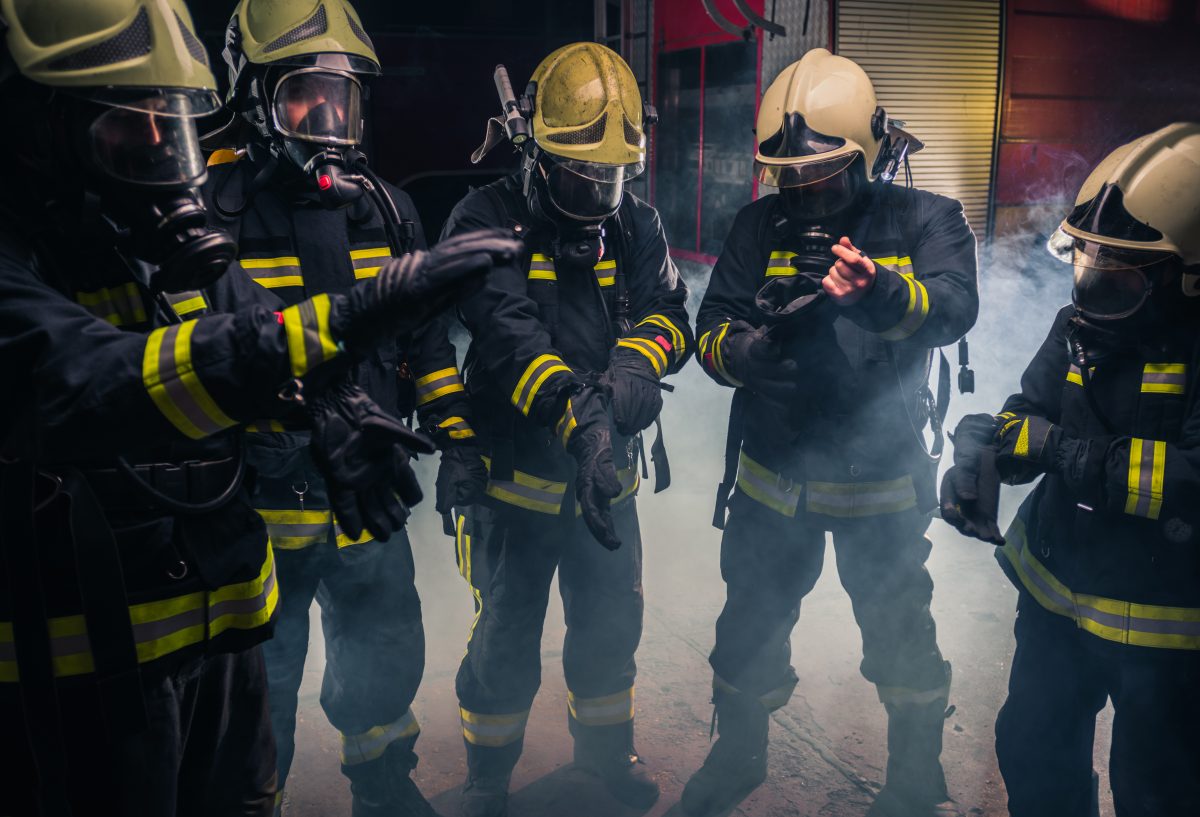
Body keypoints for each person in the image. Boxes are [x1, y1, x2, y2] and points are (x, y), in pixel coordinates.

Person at [0, 1, 516, 813]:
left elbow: (272, 342)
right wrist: (343, 324)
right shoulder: (57, 246)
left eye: (169, 123)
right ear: (32, 128)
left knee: (360, 676)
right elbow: (94, 378)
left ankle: (379, 780)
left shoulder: (149, 233)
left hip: (223, 607)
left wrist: (338, 409)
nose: (163, 157)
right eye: (127, 128)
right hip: (88, 663)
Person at [203, 2, 484, 814]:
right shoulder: (212, 216)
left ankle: (383, 781)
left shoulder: (389, 211)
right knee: (263, 682)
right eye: (304, 96)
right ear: (254, 99)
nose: (327, 119)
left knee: (386, 655)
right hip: (259, 512)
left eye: (343, 98)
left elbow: (425, 346)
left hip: (370, 502)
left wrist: (458, 441)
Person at [688, 48, 978, 817]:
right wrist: (740, 355)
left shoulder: (925, 219)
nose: (806, 197)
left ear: (871, 156)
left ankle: (915, 777)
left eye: (823, 179)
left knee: (900, 634)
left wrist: (881, 290)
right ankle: (737, 752)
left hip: (879, 482)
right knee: (746, 627)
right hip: (770, 480)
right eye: (791, 180)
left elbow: (952, 307)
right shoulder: (757, 224)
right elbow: (709, 323)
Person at [439, 42, 692, 817]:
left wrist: (627, 382)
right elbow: (508, 332)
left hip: (607, 479)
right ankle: (489, 774)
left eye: (615, 175)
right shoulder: (482, 217)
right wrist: (578, 416)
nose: (600, 192)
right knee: (506, 635)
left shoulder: (636, 222)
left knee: (611, 626)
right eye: (583, 173)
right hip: (513, 480)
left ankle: (606, 759)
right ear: (535, 152)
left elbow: (667, 317)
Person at [941, 122, 1200, 817]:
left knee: (1158, 792)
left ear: (1189, 278)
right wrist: (983, 453)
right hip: (1056, 599)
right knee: (1031, 748)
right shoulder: (1080, 323)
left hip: (1168, 631)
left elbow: (1188, 480)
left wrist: (1061, 449)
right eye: (1090, 262)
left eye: (1120, 272)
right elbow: (1033, 411)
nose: (1093, 287)